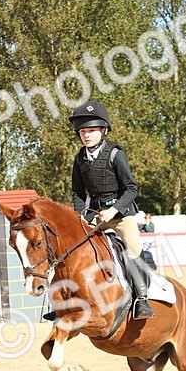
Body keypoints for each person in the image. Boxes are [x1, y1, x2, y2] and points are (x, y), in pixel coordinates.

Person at [68, 100, 152, 320]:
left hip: (120, 213)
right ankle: (67, 299)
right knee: (71, 248)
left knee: (134, 250)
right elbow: (77, 192)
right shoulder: (80, 158)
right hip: (93, 213)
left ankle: (141, 300)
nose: (87, 135)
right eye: (83, 132)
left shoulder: (115, 154)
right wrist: (80, 215)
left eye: (92, 131)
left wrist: (114, 210)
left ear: (103, 131)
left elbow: (132, 188)